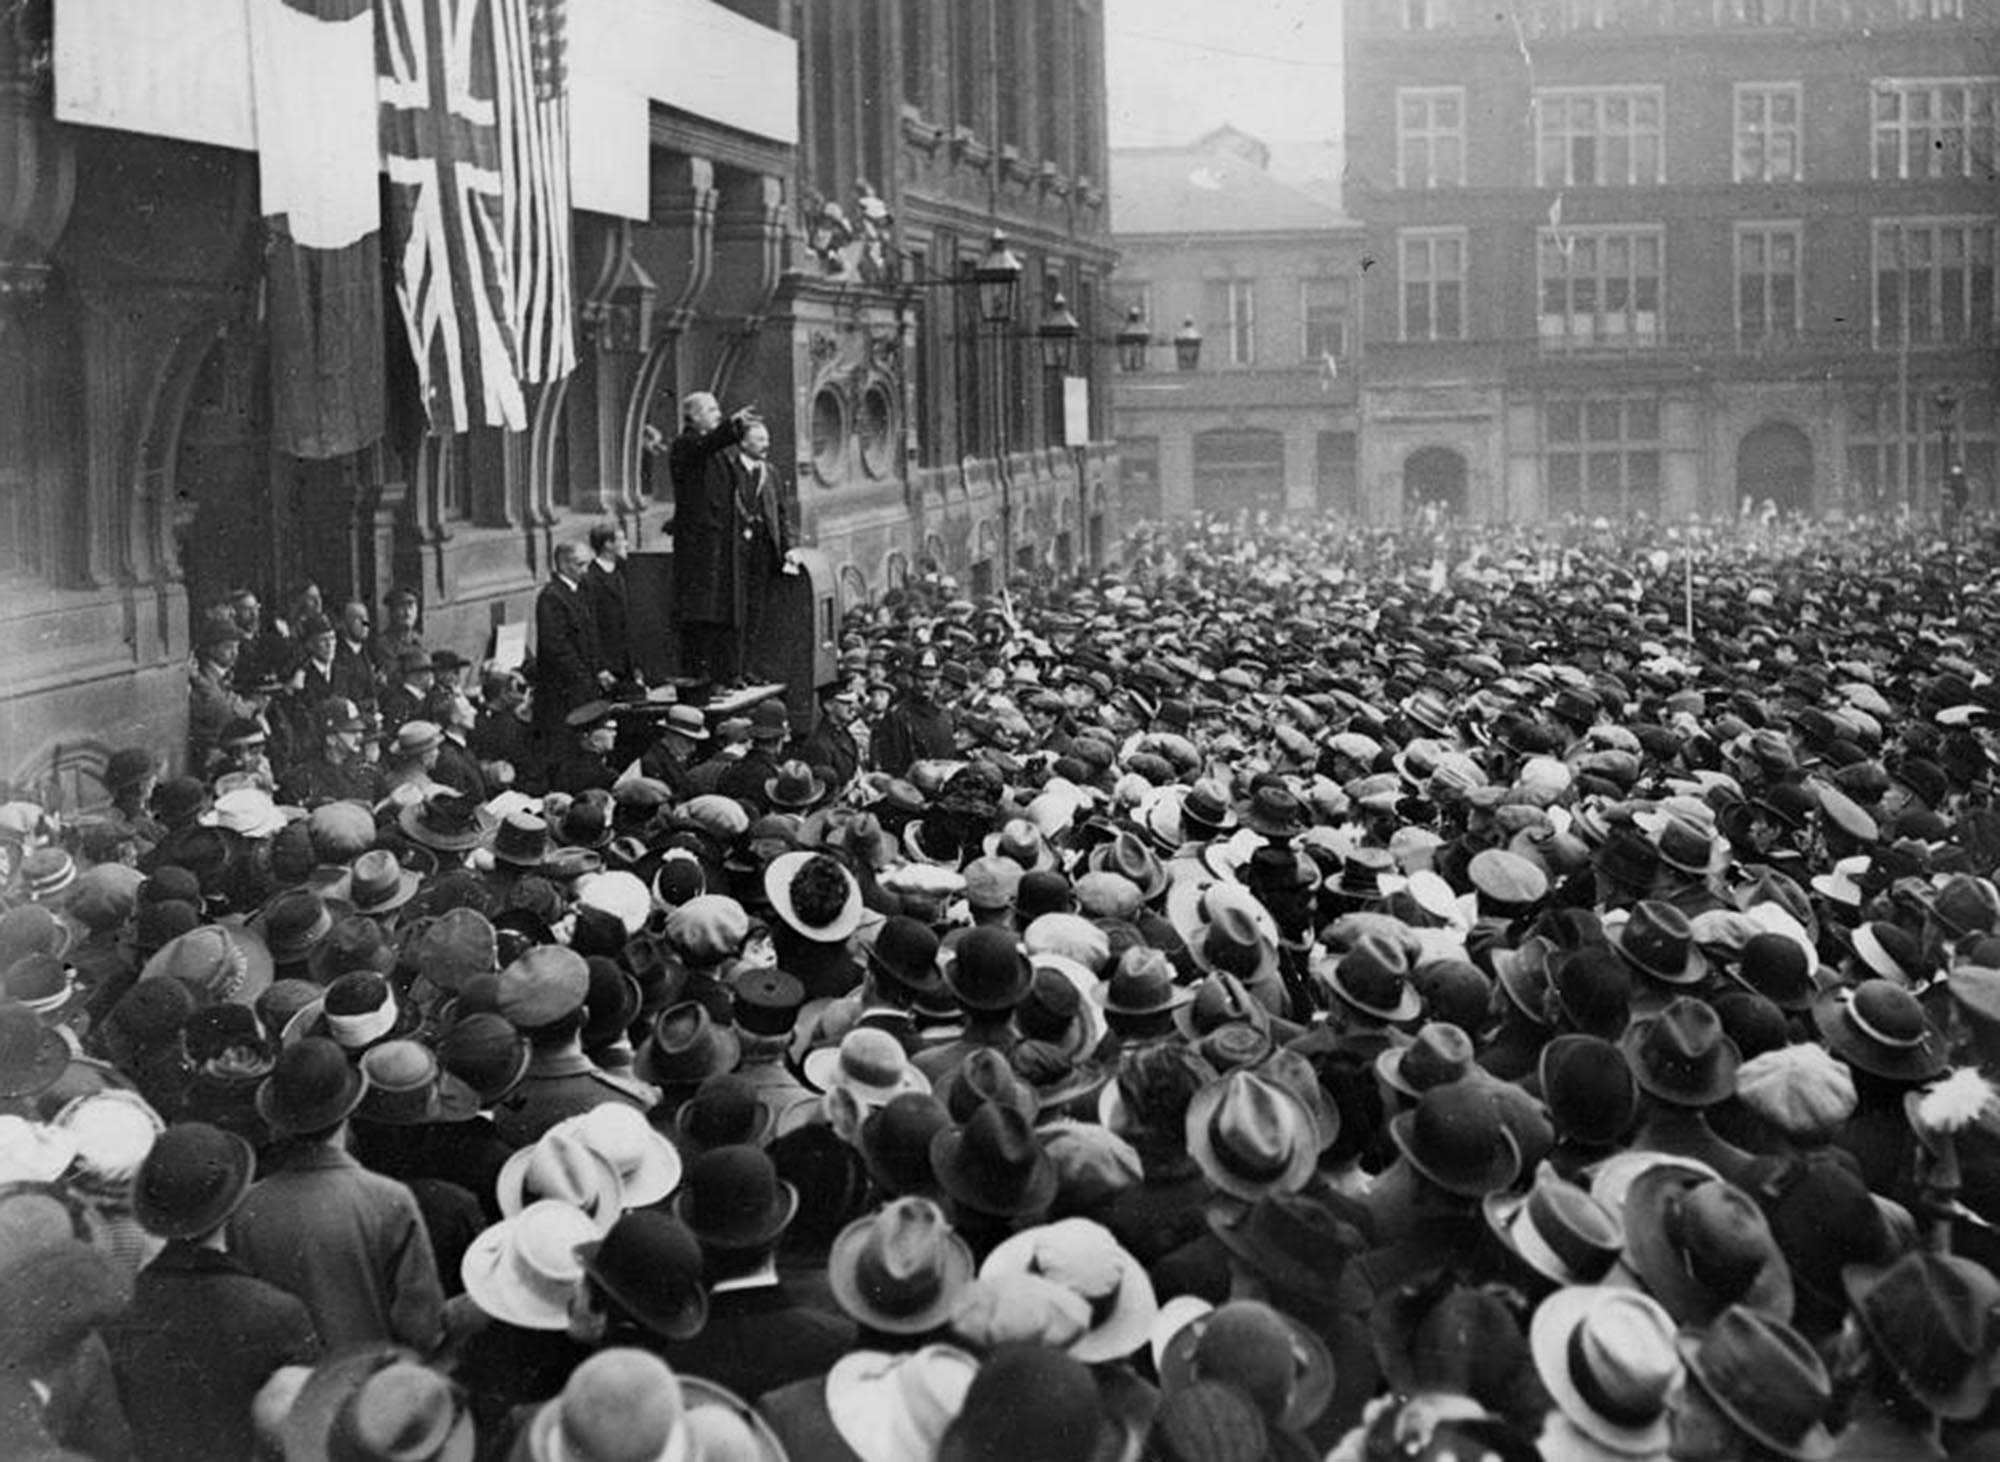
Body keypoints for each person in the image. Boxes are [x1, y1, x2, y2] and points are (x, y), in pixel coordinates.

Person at [531, 541, 607, 750]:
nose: (585, 571)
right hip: (563, 692)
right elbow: (556, 647)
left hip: (582, 686)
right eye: (580, 565)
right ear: (564, 565)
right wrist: (584, 677)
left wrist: (599, 669)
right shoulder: (551, 597)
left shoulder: (580, 592)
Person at [584, 521, 636, 689]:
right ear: (608, 544)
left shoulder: (624, 571)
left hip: (627, 662)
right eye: (621, 539)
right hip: (607, 666)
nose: (626, 544)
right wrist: (600, 666)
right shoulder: (590, 578)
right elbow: (591, 626)